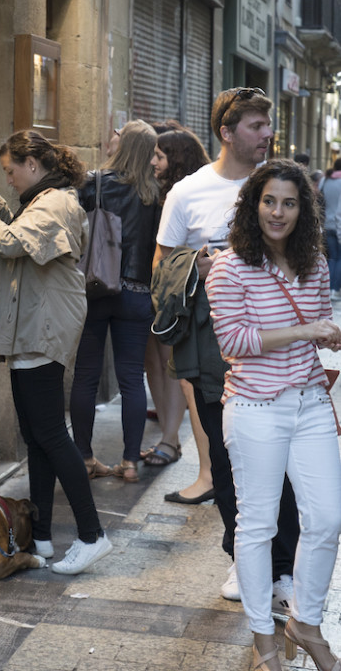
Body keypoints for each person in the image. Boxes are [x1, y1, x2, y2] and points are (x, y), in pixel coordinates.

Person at [154, 87, 299, 613]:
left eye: (268, 125)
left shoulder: (280, 186)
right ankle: (244, 556)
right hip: (212, 349)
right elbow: (159, 268)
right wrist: (200, 266)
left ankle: (281, 568)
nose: (267, 134)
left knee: (279, 459)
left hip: (279, 347)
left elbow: (308, 258)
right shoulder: (187, 193)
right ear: (227, 132)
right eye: (257, 126)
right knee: (227, 455)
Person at [0, 130, 113, 576]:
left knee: (51, 435)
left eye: (10, 171)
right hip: (33, 327)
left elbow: (11, 243)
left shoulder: (57, 202)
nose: (8, 180)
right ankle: (39, 537)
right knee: (37, 435)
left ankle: (93, 535)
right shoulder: (45, 201)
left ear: (33, 165)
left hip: (43, 328)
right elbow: (22, 232)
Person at [206, 159, 341, 671]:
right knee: (258, 525)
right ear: (252, 204)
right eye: (269, 201)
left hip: (309, 403)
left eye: (289, 202)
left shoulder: (314, 260)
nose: (277, 212)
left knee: (327, 517)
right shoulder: (230, 265)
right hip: (255, 407)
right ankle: (264, 637)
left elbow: (316, 325)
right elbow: (234, 342)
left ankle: (304, 623)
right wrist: (308, 331)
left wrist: (327, 333)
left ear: (302, 208)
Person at [69, 120, 161, 482]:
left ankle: (85, 458)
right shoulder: (155, 193)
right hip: (138, 296)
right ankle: (130, 463)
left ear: (123, 145)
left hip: (96, 289)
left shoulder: (92, 183)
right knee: (131, 381)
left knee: (86, 377)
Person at [144, 127, 215, 506]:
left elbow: (166, 257)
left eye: (160, 155)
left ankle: (208, 475)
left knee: (198, 393)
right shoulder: (183, 192)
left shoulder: (184, 194)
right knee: (198, 392)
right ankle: (212, 472)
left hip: (195, 309)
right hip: (191, 306)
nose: (153, 162)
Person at [319, 158, 341, 300]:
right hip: (338, 225)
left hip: (325, 224)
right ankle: (335, 289)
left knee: (331, 258)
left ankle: (327, 289)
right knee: (339, 259)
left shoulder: (325, 180)